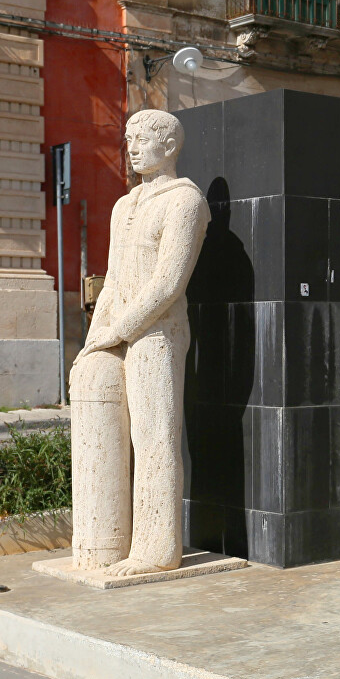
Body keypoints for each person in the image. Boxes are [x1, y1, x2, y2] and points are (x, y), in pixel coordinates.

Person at [69, 109, 209, 577]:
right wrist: (95, 339)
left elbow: (169, 281)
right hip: (122, 329)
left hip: (158, 334)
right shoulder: (123, 206)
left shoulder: (186, 201)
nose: (130, 148)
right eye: (127, 139)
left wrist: (120, 328)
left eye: (141, 139)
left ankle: (156, 548)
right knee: (116, 428)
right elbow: (112, 280)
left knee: (155, 438)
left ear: (169, 146)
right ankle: (109, 539)